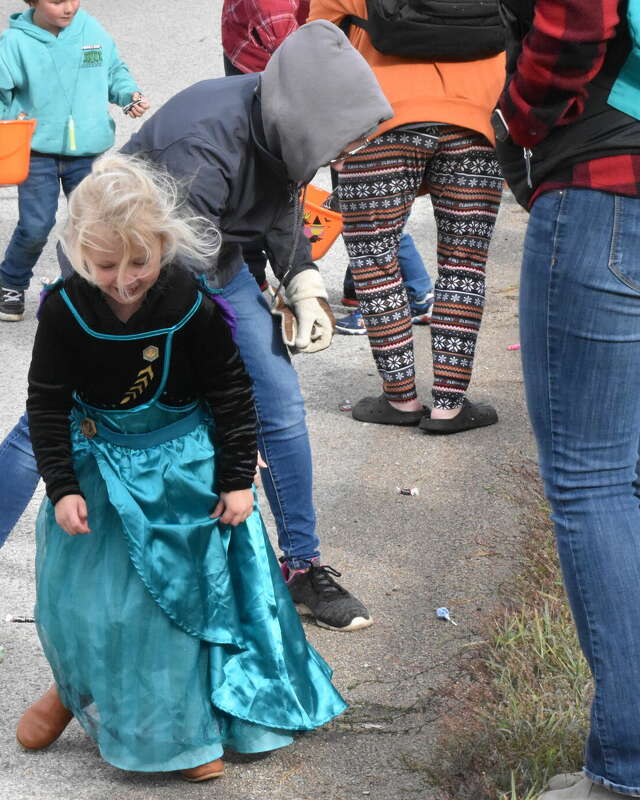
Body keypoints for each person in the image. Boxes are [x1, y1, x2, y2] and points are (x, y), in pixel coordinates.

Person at [0, 21, 391, 636]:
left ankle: (303, 568)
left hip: (213, 262)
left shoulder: (286, 115)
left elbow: (282, 202)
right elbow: (179, 294)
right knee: (59, 413)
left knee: (278, 404)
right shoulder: (202, 144)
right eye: (338, 142)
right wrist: (220, 414)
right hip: (123, 268)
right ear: (304, 115)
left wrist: (302, 280)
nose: (343, 155)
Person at [14, 153, 347, 781]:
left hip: (185, 472)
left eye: (139, 261)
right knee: (88, 605)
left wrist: (234, 478)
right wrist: (60, 486)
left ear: (164, 245)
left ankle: (187, 735)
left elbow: (230, 391)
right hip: (101, 476)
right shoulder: (64, 309)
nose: (124, 279)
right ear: (81, 252)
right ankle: (70, 692)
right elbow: (46, 401)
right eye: (106, 264)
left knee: (171, 608)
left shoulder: (189, 301)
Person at [496, 0, 640, 793]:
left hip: (608, 185)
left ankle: (628, 766)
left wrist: (522, 113)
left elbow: (575, 17)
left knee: (594, 481)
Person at [309, 0, 505, 433]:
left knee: (375, 264)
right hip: (476, 124)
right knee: (465, 266)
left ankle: (400, 399)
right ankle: (449, 406)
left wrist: (329, 134)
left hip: (376, 125)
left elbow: (314, 50)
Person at [220, 0, 433, 334]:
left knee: (362, 208)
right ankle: (399, 291)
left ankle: (403, 294)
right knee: (360, 205)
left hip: (335, 96)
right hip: (347, 91)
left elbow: (297, 51)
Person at [0, 0, 149, 322]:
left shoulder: (90, 31)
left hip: (87, 153)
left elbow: (113, 71)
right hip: (37, 153)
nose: (69, 7)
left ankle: (90, 290)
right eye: (56, 1)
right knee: (36, 226)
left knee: (93, 226)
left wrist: (128, 95)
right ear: (33, 1)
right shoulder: (17, 42)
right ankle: (12, 281)